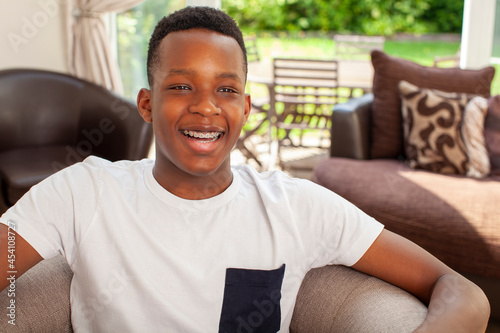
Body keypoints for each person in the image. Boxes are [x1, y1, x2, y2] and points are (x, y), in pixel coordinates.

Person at [0, 6, 490, 332]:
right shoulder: (82, 192)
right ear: (146, 105)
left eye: (226, 89)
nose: (207, 107)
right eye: (182, 87)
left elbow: (460, 289)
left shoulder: (299, 206)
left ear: (246, 107)